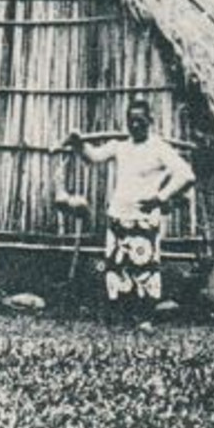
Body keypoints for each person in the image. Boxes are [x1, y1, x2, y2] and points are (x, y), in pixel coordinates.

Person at [64, 99, 196, 330]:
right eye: (131, 121)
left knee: (144, 267)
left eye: (140, 121)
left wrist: (161, 197)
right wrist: (78, 143)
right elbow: (93, 157)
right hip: (118, 215)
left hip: (144, 218)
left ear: (150, 121)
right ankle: (120, 317)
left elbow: (186, 175)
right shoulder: (121, 146)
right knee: (117, 267)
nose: (135, 125)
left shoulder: (159, 148)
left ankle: (144, 318)